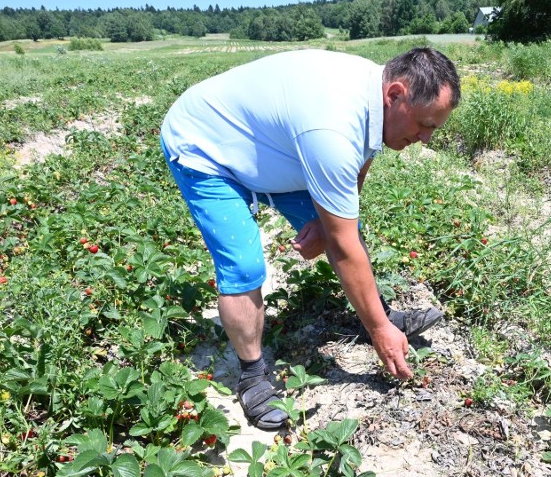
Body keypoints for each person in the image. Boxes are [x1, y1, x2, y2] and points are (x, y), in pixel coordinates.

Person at [160, 47, 461, 429]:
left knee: (344, 226)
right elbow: (343, 246)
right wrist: (381, 333)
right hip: (206, 148)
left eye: (434, 128)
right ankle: (252, 373)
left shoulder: (373, 95)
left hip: (275, 150)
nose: (426, 138)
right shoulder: (332, 125)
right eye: (424, 124)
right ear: (396, 95)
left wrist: (326, 221)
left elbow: (358, 161)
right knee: (244, 265)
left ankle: (377, 313)